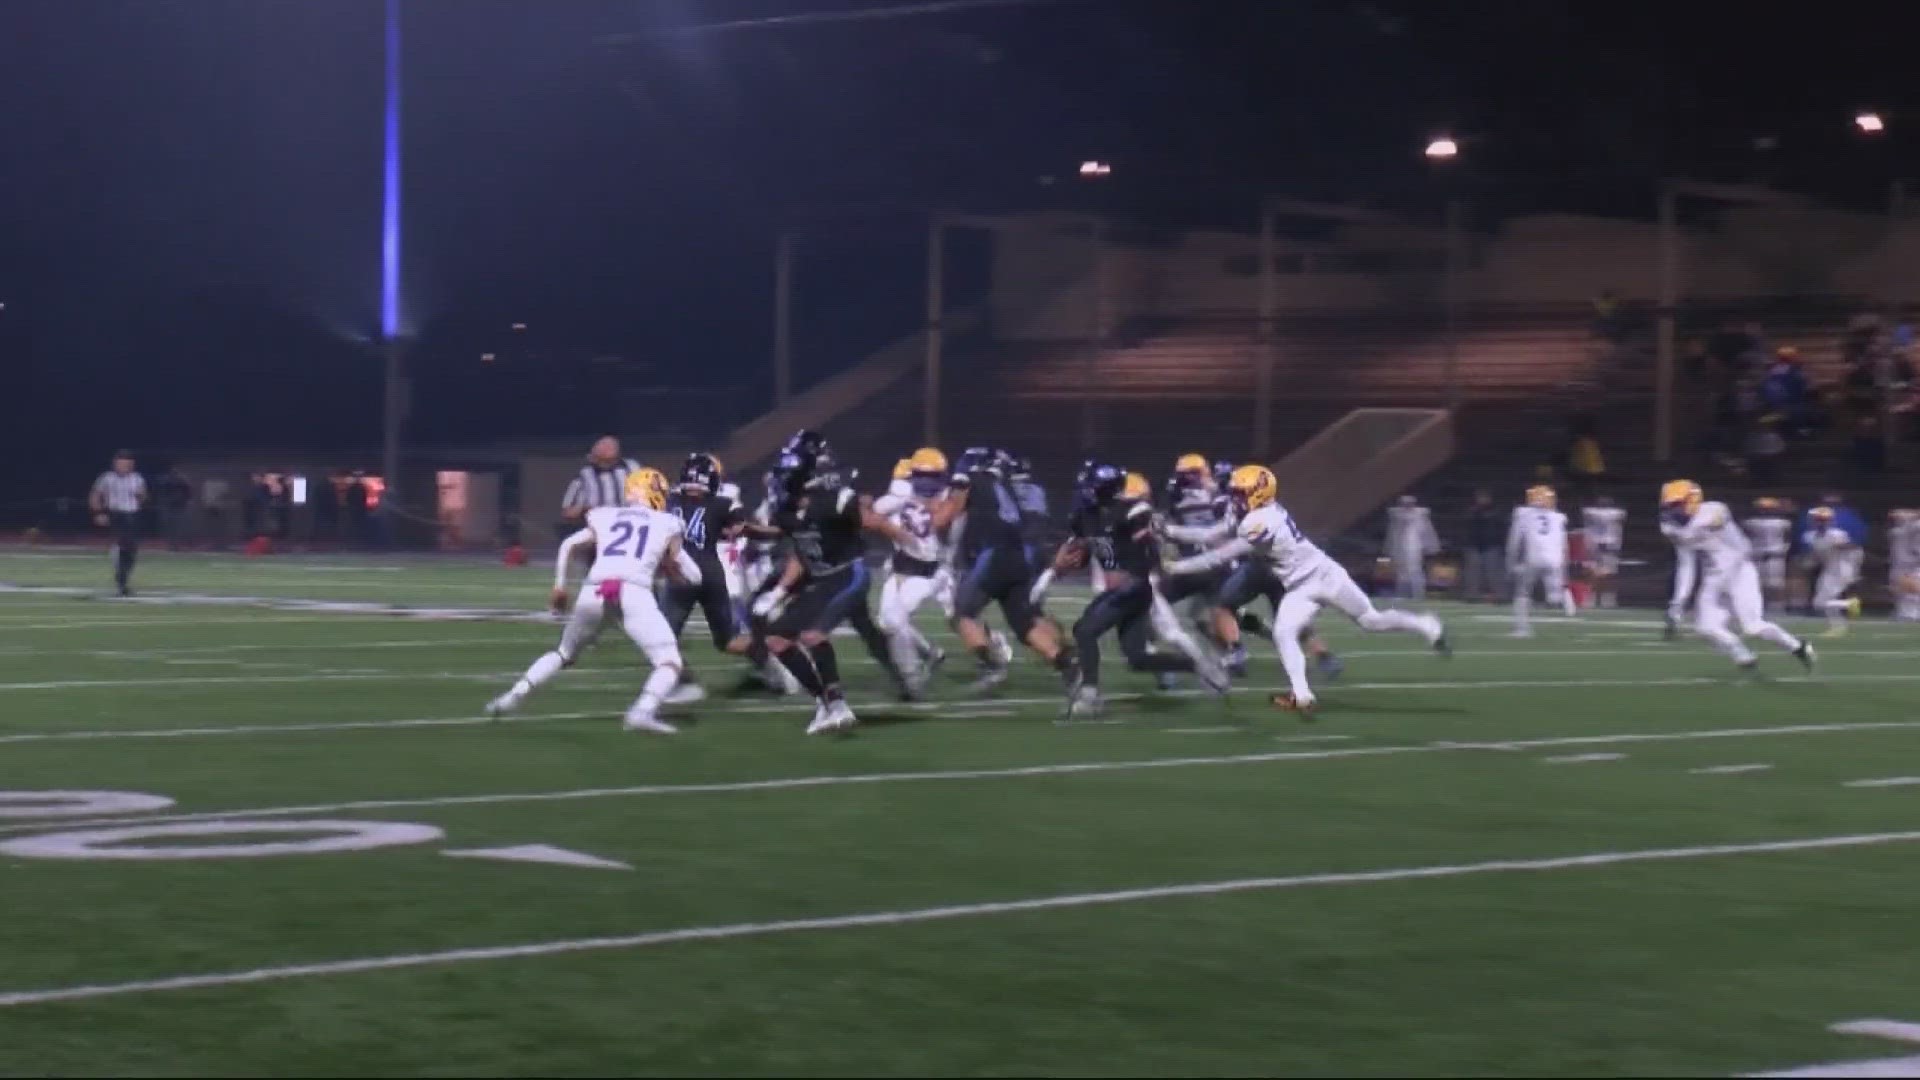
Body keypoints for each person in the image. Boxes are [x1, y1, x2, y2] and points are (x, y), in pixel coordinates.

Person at [1162, 465, 1448, 715]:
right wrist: (1172, 532)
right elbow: (1211, 534)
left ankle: (1425, 624)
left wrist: (1177, 568)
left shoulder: (1262, 521)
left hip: (1325, 577)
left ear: (1258, 494)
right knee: (1283, 632)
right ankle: (1302, 695)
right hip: (1299, 587)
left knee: (1371, 621)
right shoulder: (1253, 513)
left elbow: (1219, 555)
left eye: (1240, 493)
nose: (1234, 498)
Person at [486, 467, 695, 733]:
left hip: (594, 590)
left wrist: (560, 587)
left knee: (563, 653)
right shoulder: (666, 522)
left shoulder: (607, 515)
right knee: (669, 662)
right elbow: (691, 573)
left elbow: (567, 546)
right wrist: (687, 575)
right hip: (634, 593)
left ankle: (513, 695)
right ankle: (641, 712)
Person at [750, 436, 915, 734]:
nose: (778, 482)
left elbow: (873, 521)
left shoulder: (834, 498)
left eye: (785, 476)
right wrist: (778, 592)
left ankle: (840, 704)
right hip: (823, 580)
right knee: (777, 639)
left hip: (850, 574)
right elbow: (800, 554)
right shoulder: (787, 511)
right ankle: (825, 704)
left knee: (815, 635)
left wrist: (911, 543)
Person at [1060, 466, 1228, 719]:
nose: (1086, 492)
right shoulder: (1084, 516)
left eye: (1092, 487)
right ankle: (1197, 665)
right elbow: (1083, 549)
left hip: (1134, 587)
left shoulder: (1131, 512)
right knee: (1137, 658)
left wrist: (1139, 569)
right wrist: (1066, 564)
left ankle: (1090, 694)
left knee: (1084, 630)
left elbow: (1150, 549)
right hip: (1121, 590)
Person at [930, 446, 1080, 695]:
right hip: (1019, 556)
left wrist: (932, 512)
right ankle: (1069, 667)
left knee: (961, 613)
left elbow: (943, 518)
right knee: (1024, 623)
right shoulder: (1005, 487)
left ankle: (991, 667)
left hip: (995, 556)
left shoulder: (973, 480)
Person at [659, 452, 784, 702]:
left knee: (662, 637)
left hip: (682, 576)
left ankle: (683, 684)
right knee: (727, 641)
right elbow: (744, 529)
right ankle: (775, 664)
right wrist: (779, 532)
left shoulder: (669, 500)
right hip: (712, 576)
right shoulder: (722, 503)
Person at [1659, 479, 1813, 673]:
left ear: (1693, 500)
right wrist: (1677, 603)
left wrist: (1718, 581)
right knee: (1706, 627)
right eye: (1669, 506)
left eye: (1676, 505)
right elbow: (1686, 564)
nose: (1672, 511)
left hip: (1740, 571)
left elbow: (1735, 550)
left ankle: (1798, 647)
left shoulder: (1714, 511)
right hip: (1714, 576)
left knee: (1753, 626)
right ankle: (1743, 656)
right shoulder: (1672, 527)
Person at [874, 448, 956, 693]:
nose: (925, 481)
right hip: (903, 565)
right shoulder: (902, 494)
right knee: (886, 621)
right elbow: (875, 513)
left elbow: (942, 525)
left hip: (930, 570)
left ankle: (912, 679)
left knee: (895, 619)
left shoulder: (949, 498)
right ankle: (930, 654)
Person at [1507, 485, 1575, 637]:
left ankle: (1522, 629)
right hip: (1554, 559)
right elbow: (1563, 544)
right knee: (1553, 597)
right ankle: (1564, 595)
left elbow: (1515, 541)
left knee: (1522, 593)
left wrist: (1511, 562)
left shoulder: (1522, 514)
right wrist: (1564, 564)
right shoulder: (1559, 517)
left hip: (1533, 558)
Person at [89, 450, 147, 597]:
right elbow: (95, 495)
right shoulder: (107, 478)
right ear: (115, 464)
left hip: (132, 515)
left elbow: (143, 497)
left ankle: (123, 579)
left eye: (128, 464)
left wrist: (141, 496)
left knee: (132, 550)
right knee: (122, 545)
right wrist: (98, 513)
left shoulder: (137, 478)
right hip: (116, 514)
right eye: (121, 463)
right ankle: (121, 579)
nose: (125, 467)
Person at [559, 436, 641, 539]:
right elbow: (567, 512)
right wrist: (584, 510)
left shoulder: (632, 468)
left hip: (633, 528)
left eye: (607, 460)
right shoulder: (584, 476)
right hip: (598, 533)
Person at [1803, 506, 1863, 637]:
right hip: (1829, 570)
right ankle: (1838, 626)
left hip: (1841, 570)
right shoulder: (1810, 536)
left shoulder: (1837, 534)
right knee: (1820, 602)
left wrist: (1842, 547)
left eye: (1823, 520)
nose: (1820, 522)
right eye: (1817, 519)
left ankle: (1849, 605)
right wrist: (1809, 562)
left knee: (1821, 602)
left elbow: (1852, 548)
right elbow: (1817, 555)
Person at [1743, 497, 1794, 614]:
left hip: (1775, 555)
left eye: (1768, 508)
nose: (1765, 511)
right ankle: (1755, 606)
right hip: (1756, 555)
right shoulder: (1750, 522)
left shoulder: (1783, 523)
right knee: (1755, 583)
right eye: (1762, 508)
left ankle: (1777, 607)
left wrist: (1784, 550)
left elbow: (1788, 538)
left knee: (1775, 584)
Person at [1385, 494, 1439, 601]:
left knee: (1414, 570)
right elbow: (1392, 534)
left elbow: (1426, 533)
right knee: (1401, 571)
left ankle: (1417, 595)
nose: (1407, 506)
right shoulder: (1397, 516)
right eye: (1404, 504)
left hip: (1414, 547)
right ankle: (1402, 595)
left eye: (1409, 504)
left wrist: (1429, 547)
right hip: (1400, 547)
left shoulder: (1420, 516)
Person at [1580, 495, 1625, 609]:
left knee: (1609, 575)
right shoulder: (1591, 512)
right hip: (1594, 546)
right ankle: (1591, 597)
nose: (1603, 504)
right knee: (1592, 574)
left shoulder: (1616, 513)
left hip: (1610, 546)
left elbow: (1619, 515)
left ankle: (1608, 599)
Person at [1461, 489, 1506, 602]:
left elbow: (1499, 524)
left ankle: (1498, 595)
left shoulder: (1496, 511)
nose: (1482, 500)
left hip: (1492, 545)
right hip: (1474, 545)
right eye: (1480, 497)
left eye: (1485, 497)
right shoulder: (1471, 510)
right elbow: (1467, 521)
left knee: (1494, 572)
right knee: (1472, 572)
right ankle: (1472, 595)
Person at [1890, 509, 1920, 623]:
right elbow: (1895, 513)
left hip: (1914, 563)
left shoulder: (1915, 526)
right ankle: (1904, 613)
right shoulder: (1898, 531)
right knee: (1901, 590)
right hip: (1902, 563)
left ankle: (1912, 614)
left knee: (1913, 590)